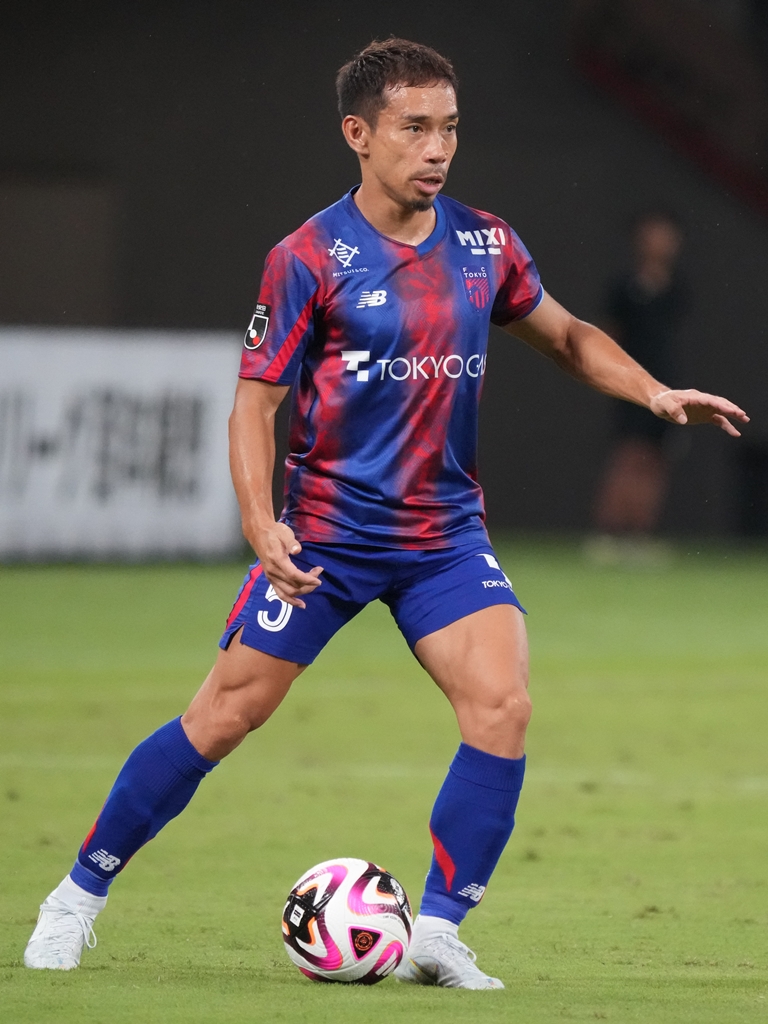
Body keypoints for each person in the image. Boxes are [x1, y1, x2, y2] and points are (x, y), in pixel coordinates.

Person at [24, 39, 748, 989]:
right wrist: (261, 523)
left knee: (503, 705)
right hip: (327, 535)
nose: (437, 148)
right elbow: (255, 404)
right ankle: (76, 896)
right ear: (358, 135)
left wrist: (651, 392)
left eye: (449, 128)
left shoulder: (485, 244)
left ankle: (437, 934)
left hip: (444, 537)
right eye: (414, 128)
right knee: (226, 714)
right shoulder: (308, 258)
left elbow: (567, 335)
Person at [587, 210, 688, 564]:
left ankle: (639, 536)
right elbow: (607, 336)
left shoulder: (675, 289)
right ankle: (608, 534)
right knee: (628, 457)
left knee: (656, 460)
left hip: (666, 384)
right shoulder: (624, 288)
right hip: (631, 383)